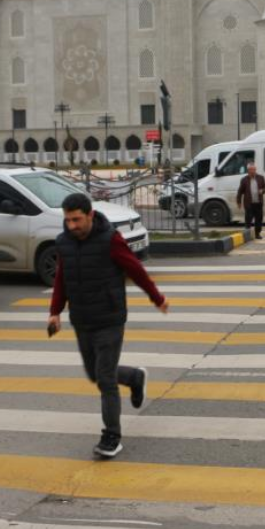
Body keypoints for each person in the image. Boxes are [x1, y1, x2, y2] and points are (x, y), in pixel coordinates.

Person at [48, 194, 170, 458]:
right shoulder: (64, 242)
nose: (71, 226)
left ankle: (111, 436)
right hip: (81, 319)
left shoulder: (110, 239)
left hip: (109, 317)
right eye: (67, 220)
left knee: (104, 379)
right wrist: (55, 312)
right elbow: (62, 278)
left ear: (90, 215)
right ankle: (134, 377)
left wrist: (156, 297)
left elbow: (135, 269)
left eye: (76, 220)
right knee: (95, 374)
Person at [236, 163, 265, 240]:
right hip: (249, 203)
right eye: (251, 170)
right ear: (248, 171)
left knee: (259, 219)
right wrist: (239, 202)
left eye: (254, 169)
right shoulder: (244, 180)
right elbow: (240, 192)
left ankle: (257, 234)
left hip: (258, 203)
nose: (253, 171)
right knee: (248, 220)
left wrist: (262, 191)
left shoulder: (261, 178)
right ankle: (247, 235)